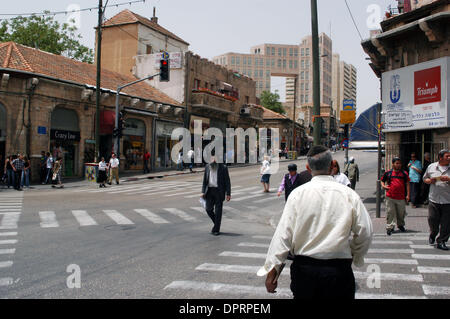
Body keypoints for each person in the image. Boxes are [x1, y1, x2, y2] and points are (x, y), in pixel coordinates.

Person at [258, 145, 373, 299]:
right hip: (338, 271)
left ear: (308, 167)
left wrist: (272, 272)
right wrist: (355, 254)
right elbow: (365, 231)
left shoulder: (297, 195)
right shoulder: (349, 195)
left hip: (305, 272)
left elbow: (283, 237)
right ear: (332, 165)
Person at [422, 149, 450, 251]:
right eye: (447, 156)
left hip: (448, 201)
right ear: (440, 157)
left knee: (446, 224)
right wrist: (430, 181)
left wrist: (448, 179)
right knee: (432, 220)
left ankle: (441, 241)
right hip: (434, 199)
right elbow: (425, 179)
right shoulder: (431, 167)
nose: (449, 158)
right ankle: (433, 233)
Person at [201, 153, 231, 236]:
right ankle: (217, 224)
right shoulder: (207, 167)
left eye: (214, 159)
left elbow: (227, 181)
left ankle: (216, 229)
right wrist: (203, 191)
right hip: (209, 191)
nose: (213, 161)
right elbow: (204, 181)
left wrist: (228, 193)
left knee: (218, 211)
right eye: (211, 159)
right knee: (208, 209)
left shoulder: (223, 168)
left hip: (219, 192)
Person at [381, 157, 410, 236]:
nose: (398, 165)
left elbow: (407, 183)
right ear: (393, 164)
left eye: (399, 163)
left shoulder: (404, 173)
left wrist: (408, 195)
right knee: (390, 212)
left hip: (401, 197)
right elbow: (382, 180)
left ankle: (400, 225)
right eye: (396, 163)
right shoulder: (388, 173)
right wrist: (384, 186)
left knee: (401, 213)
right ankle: (389, 227)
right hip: (390, 196)